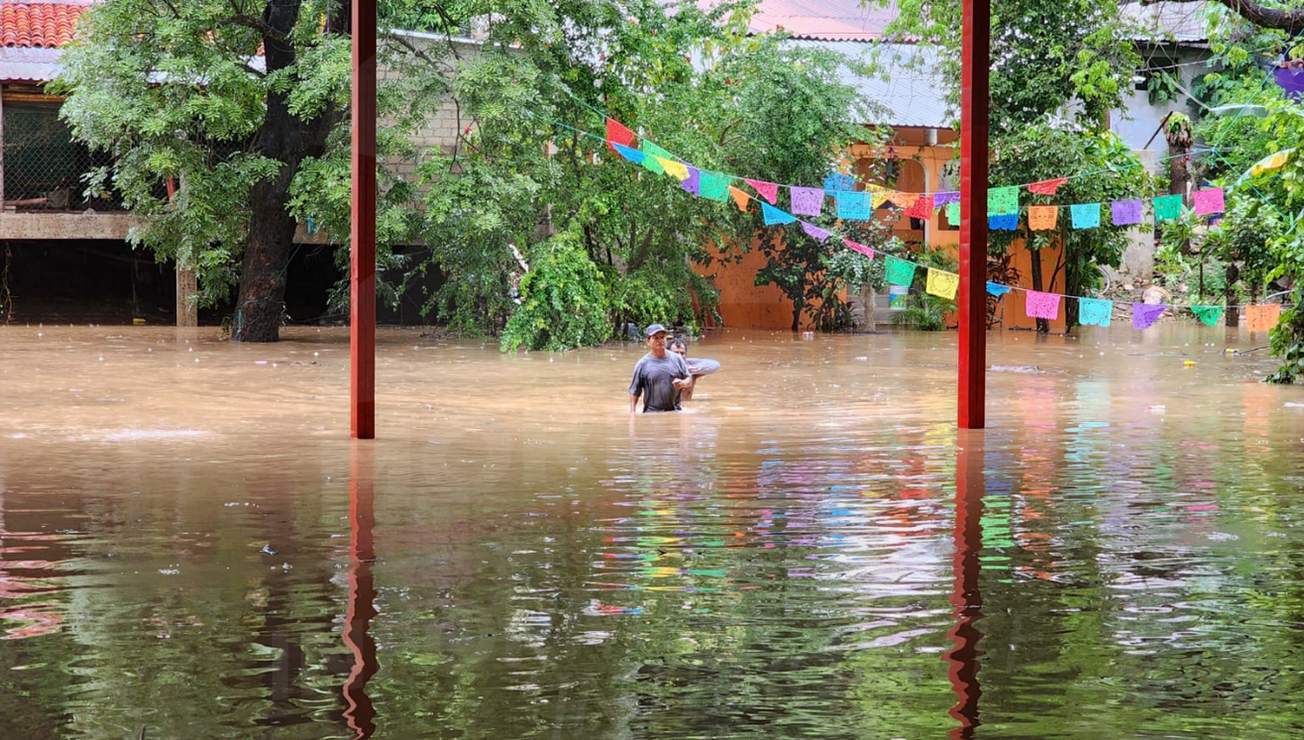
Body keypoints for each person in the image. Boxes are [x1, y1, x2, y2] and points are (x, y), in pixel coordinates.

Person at [629, 324, 692, 413]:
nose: (660, 340)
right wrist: (632, 414)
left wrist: (683, 383)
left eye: (662, 337)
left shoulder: (677, 359)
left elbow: (689, 379)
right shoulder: (642, 364)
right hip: (652, 412)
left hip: (675, 411)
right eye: (656, 338)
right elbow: (635, 391)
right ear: (648, 341)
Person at [667, 337, 721, 402]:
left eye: (682, 353)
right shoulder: (661, 369)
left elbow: (715, 365)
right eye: (676, 353)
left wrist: (690, 370)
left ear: (686, 354)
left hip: (686, 409)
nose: (679, 356)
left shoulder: (691, 370)